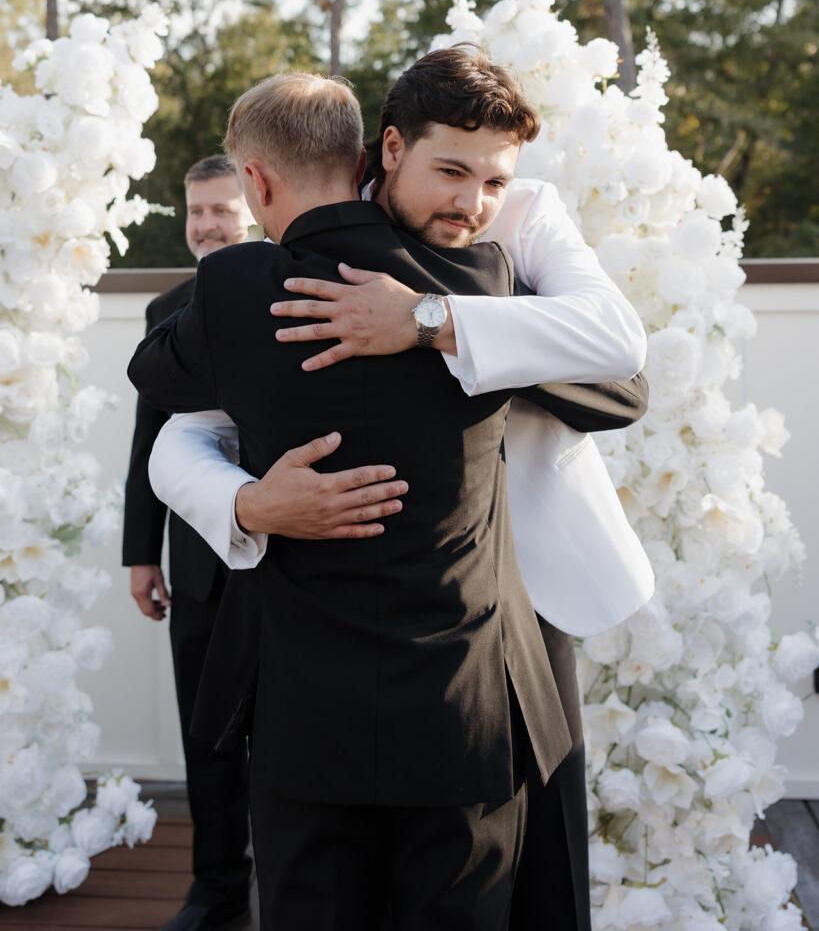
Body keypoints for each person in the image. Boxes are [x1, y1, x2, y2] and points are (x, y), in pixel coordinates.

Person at [127, 60, 645, 930]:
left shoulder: (498, 255)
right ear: (383, 154)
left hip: (482, 643)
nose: (472, 202)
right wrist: (249, 503)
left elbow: (621, 375)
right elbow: (182, 435)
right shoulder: (480, 272)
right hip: (428, 696)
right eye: (450, 173)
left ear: (254, 180)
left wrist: (429, 323)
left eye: (491, 182)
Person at [122, 155, 259, 931]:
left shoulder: (291, 288)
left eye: (222, 209)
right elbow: (148, 442)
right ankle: (215, 891)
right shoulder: (166, 310)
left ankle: (287, 884)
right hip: (197, 565)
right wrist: (141, 551)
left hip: (285, 562)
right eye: (196, 211)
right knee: (205, 739)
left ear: (256, 209)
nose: (208, 223)